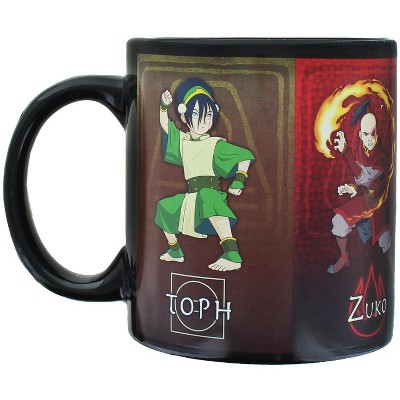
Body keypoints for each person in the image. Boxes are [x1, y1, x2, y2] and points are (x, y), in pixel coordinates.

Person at [155, 78, 255, 272]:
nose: (203, 121)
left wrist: (239, 180)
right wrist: (163, 107)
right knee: (164, 207)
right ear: (185, 116)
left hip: (210, 194)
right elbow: (165, 125)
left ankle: (232, 254)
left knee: (209, 197)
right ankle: (175, 251)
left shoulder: (215, 144)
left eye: (208, 115)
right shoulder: (182, 141)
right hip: (190, 197)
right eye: (196, 114)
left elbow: (245, 156)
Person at [327, 111, 390, 274]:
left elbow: (366, 178)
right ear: (361, 135)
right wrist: (352, 188)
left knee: (384, 243)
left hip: (379, 206)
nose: (370, 138)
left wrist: (346, 151)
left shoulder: (380, 157)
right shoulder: (362, 152)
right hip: (365, 201)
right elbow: (361, 182)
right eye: (365, 134)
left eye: (373, 133)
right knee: (338, 220)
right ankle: (344, 257)